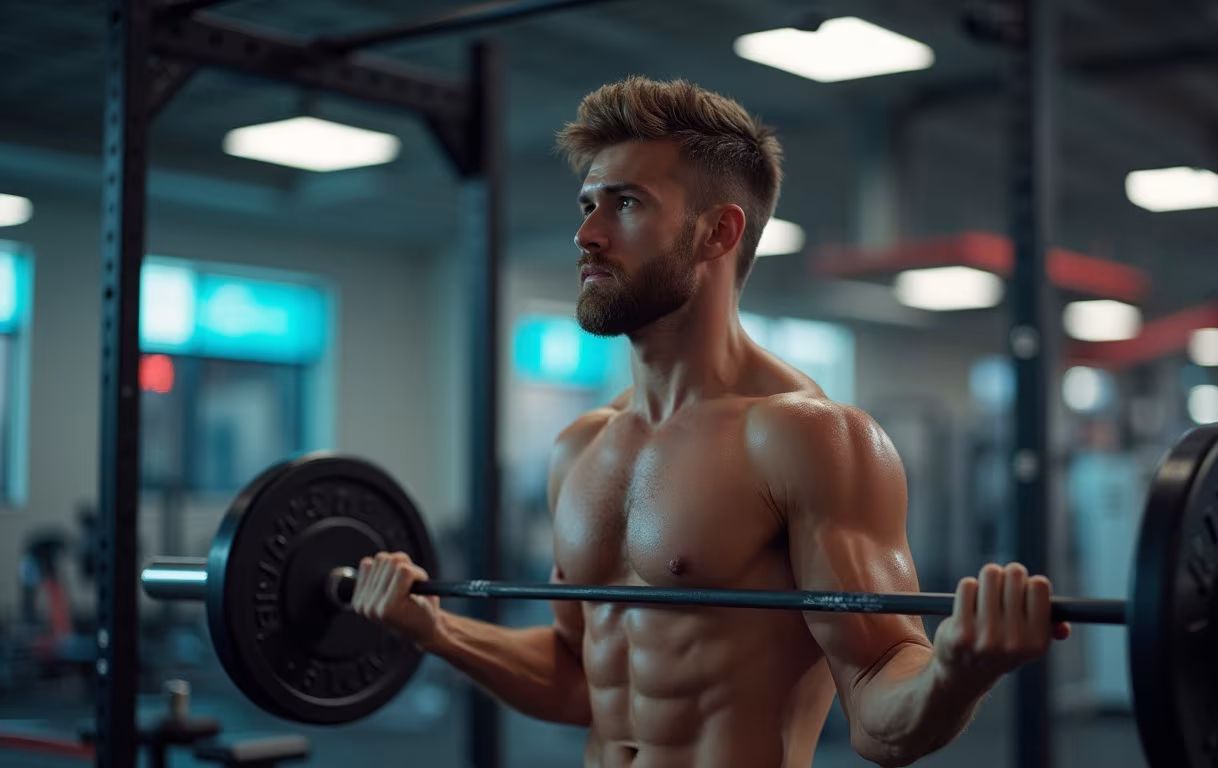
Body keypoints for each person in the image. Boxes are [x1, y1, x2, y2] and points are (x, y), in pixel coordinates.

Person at [351, 76, 1071, 768]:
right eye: (587, 205)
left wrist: (956, 671)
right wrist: (434, 629)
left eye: (626, 203)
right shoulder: (581, 447)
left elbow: (880, 710)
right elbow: (577, 679)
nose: (587, 234)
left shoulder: (807, 438)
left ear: (717, 232)